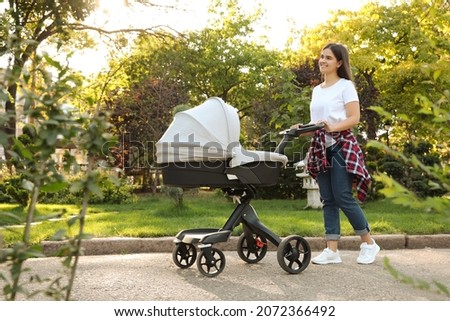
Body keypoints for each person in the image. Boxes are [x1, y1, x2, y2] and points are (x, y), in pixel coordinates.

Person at [293, 43, 380, 265]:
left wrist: (332, 127)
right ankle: (332, 250)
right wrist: (302, 129)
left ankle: (369, 243)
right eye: (321, 57)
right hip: (321, 148)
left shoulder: (345, 86)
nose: (322, 61)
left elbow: (354, 118)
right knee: (328, 199)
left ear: (339, 63)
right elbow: (317, 123)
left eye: (328, 58)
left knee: (342, 196)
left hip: (341, 146)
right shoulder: (316, 90)